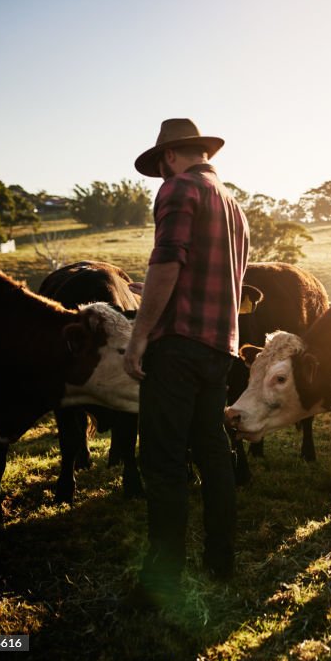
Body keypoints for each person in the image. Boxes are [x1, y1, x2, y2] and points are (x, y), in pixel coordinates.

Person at [124, 118, 249, 607]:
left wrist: (139, 337)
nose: (160, 175)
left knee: (163, 460)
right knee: (212, 450)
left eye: (160, 166)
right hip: (221, 345)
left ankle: (163, 578)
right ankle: (221, 560)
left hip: (176, 344)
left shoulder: (178, 189)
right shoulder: (234, 205)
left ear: (172, 155)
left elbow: (168, 259)